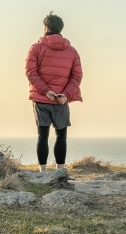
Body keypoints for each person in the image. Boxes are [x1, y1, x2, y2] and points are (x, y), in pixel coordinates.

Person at [25, 12, 83, 172]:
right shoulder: (72, 51)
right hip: (61, 100)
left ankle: (43, 172)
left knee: (42, 135)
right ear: (60, 29)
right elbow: (77, 76)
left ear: (46, 27)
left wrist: (46, 91)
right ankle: (60, 170)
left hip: (42, 98)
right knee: (61, 135)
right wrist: (66, 94)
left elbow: (30, 72)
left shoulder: (36, 48)